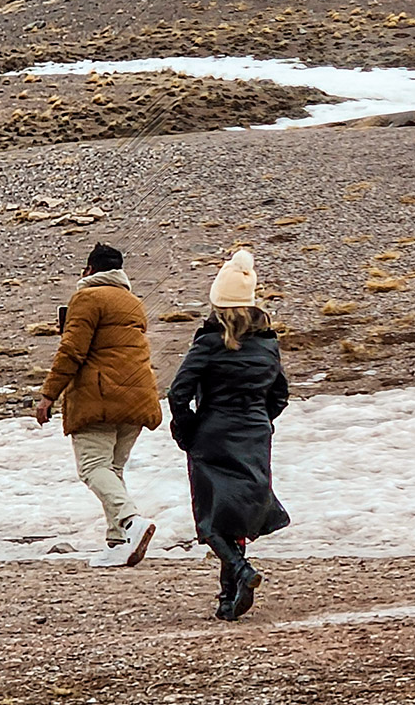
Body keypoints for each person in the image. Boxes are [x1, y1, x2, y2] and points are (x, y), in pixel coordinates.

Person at [167, 249, 290, 621]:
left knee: (210, 518)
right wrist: (260, 420)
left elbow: (177, 393)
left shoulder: (208, 343)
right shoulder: (268, 345)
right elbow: (280, 395)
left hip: (213, 434)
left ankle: (240, 571)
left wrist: (186, 429)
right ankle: (228, 597)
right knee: (235, 513)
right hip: (254, 434)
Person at [36, 242, 161, 568]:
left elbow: (72, 351)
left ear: (90, 270)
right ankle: (118, 542)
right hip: (137, 397)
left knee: (92, 468)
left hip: (100, 397)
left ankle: (131, 521)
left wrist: (49, 394)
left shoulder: (87, 297)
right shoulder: (133, 302)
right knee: (113, 470)